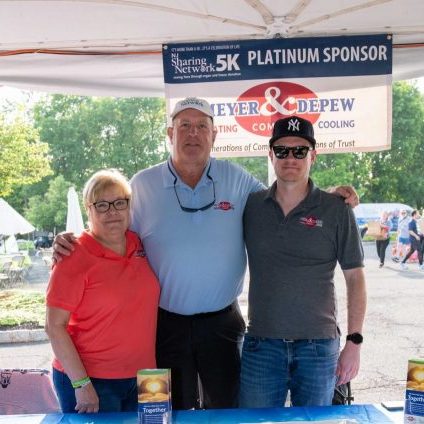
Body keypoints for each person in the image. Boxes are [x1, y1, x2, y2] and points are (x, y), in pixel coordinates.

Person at [52, 97, 359, 410]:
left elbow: (284, 195)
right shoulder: (142, 184)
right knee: (164, 410)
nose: (193, 133)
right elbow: (112, 224)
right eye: (184, 125)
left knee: (229, 411)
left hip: (223, 325)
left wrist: (328, 197)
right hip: (162, 326)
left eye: (201, 126)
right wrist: (74, 240)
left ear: (214, 135)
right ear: (170, 134)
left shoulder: (236, 178)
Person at [239, 116, 367, 408]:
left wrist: (354, 342)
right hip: (262, 346)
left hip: (318, 348)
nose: (290, 158)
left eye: (300, 151)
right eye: (282, 150)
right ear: (271, 155)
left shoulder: (337, 209)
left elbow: (355, 278)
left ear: (313, 156)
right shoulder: (252, 205)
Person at [45, 169, 160, 413]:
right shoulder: (72, 254)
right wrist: (81, 383)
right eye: (102, 205)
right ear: (88, 209)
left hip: (148, 376)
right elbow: (54, 326)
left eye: (119, 203)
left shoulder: (140, 243)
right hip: (93, 382)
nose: (112, 212)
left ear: (129, 206)